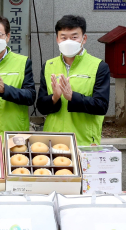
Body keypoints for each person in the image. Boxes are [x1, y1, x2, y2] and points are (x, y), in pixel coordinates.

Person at [37, 15, 110, 145]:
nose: (68, 41)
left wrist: (72, 97)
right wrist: (54, 98)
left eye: (74, 37)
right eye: (64, 37)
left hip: (84, 141)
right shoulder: (49, 65)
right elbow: (41, 107)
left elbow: (101, 106)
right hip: (53, 140)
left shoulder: (98, 66)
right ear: (57, 39)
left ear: (84, 38)